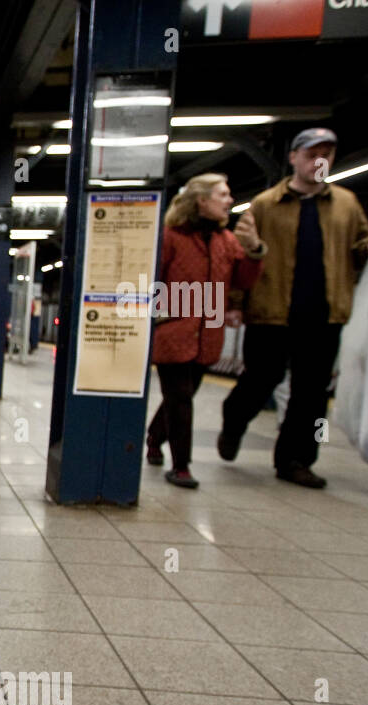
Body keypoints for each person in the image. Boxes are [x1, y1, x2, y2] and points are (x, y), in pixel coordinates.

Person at [218, 128, 368, 488]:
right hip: (271, 311)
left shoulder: (347, 204)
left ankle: (297, 460)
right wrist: (235, 303)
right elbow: (242, 256)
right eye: (311, 153)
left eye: (327, 155)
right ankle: (234, 419)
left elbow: (361, 241)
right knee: (260, 379)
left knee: (312, 393)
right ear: (293, 158)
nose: (319, 161)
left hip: (325, 314)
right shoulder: (265, 204)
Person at [146, 173, 266, 488]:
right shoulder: (171, 236)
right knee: (181, 396)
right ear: (201, 200)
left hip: (208, 335)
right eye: (222, 195)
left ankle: (154, 437)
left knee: (181, 396)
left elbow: (243, 281)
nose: (229, 201)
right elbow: (153, 277)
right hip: (174, 330)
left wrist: (254, 250)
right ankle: (181, 466)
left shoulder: (228, 242)